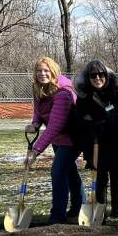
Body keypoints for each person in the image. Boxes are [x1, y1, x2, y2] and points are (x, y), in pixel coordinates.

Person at [25, 56, 84, 224]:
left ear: (54, 72)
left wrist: (36, 151)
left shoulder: (63, 92)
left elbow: (55, 126)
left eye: (46, 70)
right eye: (39, 70)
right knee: (70, 171)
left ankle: (58, 215)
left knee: (57, 172)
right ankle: (79, 206)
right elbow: (38, 110)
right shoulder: (38, 88)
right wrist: (35, 124)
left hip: (72, 137)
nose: (42, 74)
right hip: (57, 138)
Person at [75, 60, 118, 219]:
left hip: (116, 138)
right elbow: (80, 116)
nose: (98, 78)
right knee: (100, 176)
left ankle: (116, 208)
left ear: (106, 75)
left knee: (116, 175)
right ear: (88, 78)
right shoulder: (84, 94)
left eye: (101, 74)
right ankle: (99, 208)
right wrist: (92, 124)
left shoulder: (116, 89)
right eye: (93, 75)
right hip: (96, 141)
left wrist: (111, 119)